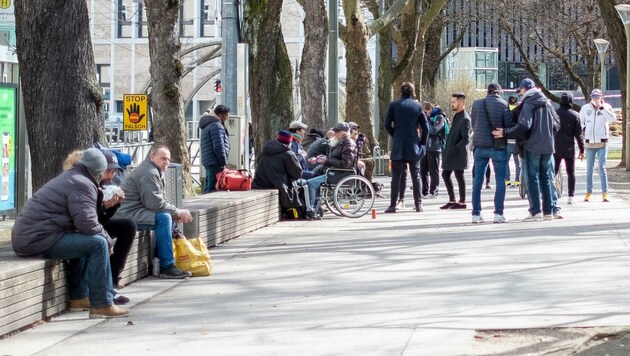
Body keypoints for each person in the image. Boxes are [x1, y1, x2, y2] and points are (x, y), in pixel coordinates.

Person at [11, 148, 129, 318]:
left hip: (33, 236)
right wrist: (108, 240)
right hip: (37, 239)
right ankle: (102, 303)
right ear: (99, 171)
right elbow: (87, 223)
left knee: (86, 240)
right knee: (98, 243)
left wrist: (105, 208)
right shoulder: (82, 183)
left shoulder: (73, 178)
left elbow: (83, 219)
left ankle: (79, 297)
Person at [114, 145, 194, 278]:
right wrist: (178, 212)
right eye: (163, 158)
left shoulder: (152, 170)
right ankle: (166, 266)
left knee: (167, 216)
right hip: (127, 214)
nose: (166, 162)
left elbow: (156, 202)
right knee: (164, 218)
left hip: (136, 211)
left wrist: (175, 213)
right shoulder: (149, 172)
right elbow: (155, 204)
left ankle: (160, 262)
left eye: (168, 159)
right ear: (151, 157)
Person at [494, 78, 560, 221]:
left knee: (532, 178)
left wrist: (505, 132)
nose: (520, 94)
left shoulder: (528, 104)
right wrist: (547, 136)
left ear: (524, 90)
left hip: (532, 146)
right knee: (546, 178)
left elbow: (524, 125)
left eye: (521, 91)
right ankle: (548, 212)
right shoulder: (547, 103)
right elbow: (557, 125)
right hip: (548, 147)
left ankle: (535, 211)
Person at [469, 83, 513, 224]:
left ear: (487, 92)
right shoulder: (503, 104)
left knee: (477, 181)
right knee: (500, 180)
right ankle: (498, 214)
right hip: (497, 146)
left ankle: (476, 214)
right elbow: (508, 125)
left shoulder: (476, 104)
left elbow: (474, 123)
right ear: (499, 92)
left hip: (480, 146)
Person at [384, 82, 429, 213]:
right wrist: (422, 143)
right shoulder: (417, 106)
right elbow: (425, 127)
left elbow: (387, 124)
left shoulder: (394, 105)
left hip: (398, 145)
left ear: (401, 92)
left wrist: (395, 135)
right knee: (416, 175)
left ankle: (393, 205)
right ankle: (418, 204)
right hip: (413, 144)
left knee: (396, 177)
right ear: (412, 92)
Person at [99, 150, 137, 303]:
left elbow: (102, 218)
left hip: (95, 223)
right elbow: (88, 219)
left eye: (114, 171)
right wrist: (106, 205)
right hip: (83, 227)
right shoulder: (89, 184)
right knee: (99, 241)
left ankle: (114, 278)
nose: (112, 175)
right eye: (109, 171)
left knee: (128, 226)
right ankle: (105, 287)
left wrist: (113, 205)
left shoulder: (107, 185)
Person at [305, 122, 356, 218]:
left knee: (310, 183)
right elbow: (334, 158)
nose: (335, 133)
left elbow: (345, 163)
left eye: (337, 132)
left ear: (343, 133)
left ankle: (311, 208)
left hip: (339, 173)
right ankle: (315, 205)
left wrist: (326, 161)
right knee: (312, 177)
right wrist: (320, 158)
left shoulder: (348, 144)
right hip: (333, 171)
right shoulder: (340, 142)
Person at [579, 89, 616, 202]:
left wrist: (601, 108)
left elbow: (612, 119)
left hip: (602, 142)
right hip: (590, 143)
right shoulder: (585, 108)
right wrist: (585, 130)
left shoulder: (606, 107)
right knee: (589, 169)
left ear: (601, 97)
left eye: (597, 96)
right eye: (593, 96)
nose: (595, 98)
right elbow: (580, 121)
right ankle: (589, 192)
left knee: (602, 168)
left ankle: (605, 193)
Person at [253, 130, 303, 211]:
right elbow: (297, 174)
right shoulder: (288, 154)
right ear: (289, 142)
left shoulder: (265, 151)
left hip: (260, 183)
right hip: (278, 185)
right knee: (304, 182)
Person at [440, 93, 472, 210]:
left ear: (461, 103)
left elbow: (466, 138)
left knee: (459, 175)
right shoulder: (457, 116)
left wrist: (455, 148)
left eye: (454, 102)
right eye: (452, 101)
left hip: (457, 154)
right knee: (445, 174)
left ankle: (462, 201)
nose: (452, 104)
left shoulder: (465, 118)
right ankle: (452, 199)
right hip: (451, 152)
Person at [555, 92, 584, 205]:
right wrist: (581, 149)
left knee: (553, 171)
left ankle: (552, 193)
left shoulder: (554, 113)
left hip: (555, 146)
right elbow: (579, 134)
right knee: (571, 172)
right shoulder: (574, 115)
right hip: (569, 147)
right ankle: (571, 196)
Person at [200, 105, 231, 193]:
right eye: (226, 115)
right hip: (215, 162)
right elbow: (219, 146)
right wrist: (223, 162)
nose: (227, 117)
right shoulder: (216, 125)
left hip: (210, 161)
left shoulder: (208, 124)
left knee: (210, 186)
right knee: (213, 188)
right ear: (220, 115)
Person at [421, 102, 446, 199]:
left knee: (433, 171)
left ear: (430, 109)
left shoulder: (439, 117)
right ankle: (424, 191)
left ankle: (434, 191)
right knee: (423, 171)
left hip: (434, 147)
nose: (425, 113)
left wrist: (426, 121)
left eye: (426, 111)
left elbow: (434, 130)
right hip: (425, 147)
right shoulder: (427, 119)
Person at [505, 95, 521, 187]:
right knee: (517, 162)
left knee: (505, 161)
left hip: (507, 140)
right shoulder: (520, 111)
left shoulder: (506, 111)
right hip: (517, 140)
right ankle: (517, 180)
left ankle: (507, 180)